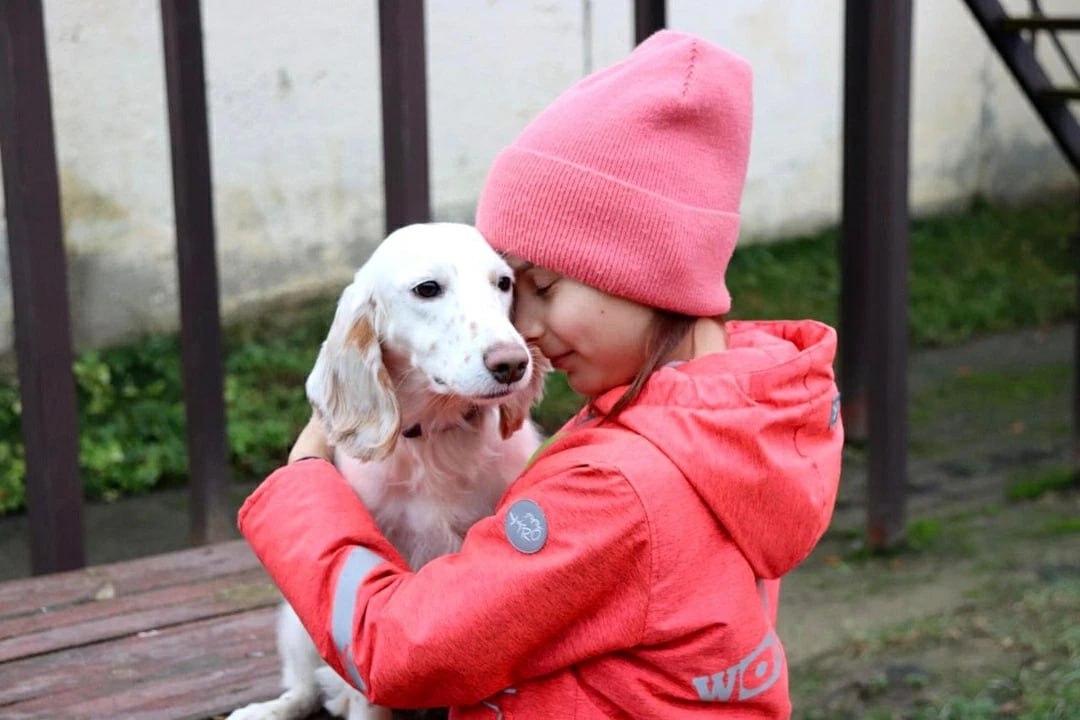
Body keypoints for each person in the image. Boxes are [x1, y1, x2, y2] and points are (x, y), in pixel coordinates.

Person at [239, 30, 843, 719]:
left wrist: (305, 478)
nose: (518, 331)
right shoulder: (723, 422)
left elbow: (404, 654)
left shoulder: (617, 489)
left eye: (544, 289)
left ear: (648, 273)